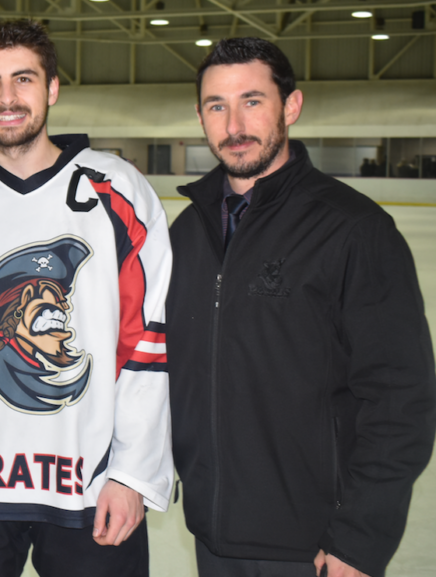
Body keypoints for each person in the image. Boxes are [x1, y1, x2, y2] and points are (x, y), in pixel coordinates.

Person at [0, 19, 173, 577]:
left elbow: (147, 343)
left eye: (23, 79)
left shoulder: (115, 191)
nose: (8, 98)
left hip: (87, 487)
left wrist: (132, 474)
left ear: (52, 89)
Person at [167, 37, 436, 577]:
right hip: (213, 535)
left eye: (252, 100)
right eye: (217, 106)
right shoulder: (187, 234)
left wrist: (358, 542)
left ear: (290, 106)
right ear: (200, 116)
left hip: (312, 547)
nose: (234, 123)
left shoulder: (354, 230)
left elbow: (400, 399)